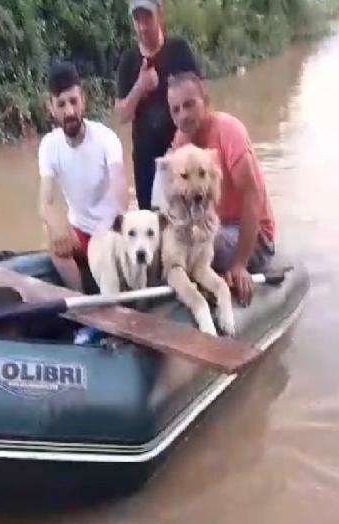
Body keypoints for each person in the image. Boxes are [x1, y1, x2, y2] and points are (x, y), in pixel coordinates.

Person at [162, 71, 276, 306]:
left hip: (253, 236)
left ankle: (201, 287)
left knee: (196, 246)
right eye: (175, 109)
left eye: (189, 105)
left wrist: (240, 264)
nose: (183, 115)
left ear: (206, 101)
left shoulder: (229, 131)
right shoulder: (182, 141)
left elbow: (252, 197)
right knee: (167, 238)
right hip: (215, 225)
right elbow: (170, 194)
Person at [38, 61, 129, 292]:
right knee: (51, 235)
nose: (69, 111)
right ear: (51, 107)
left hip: (109, 234)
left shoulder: (106, 138)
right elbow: (45, 202)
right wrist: (57, 226)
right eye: (61, 104)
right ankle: (79, 300)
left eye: (73, 101)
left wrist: (107, 231)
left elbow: (120, 193)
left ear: (83, 100)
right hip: (80, 233)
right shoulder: (49, 145)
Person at [115, 0, 200, 210]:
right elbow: (120, 116)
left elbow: (201, 100)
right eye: (137, 19)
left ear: (160, 14)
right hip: (146, 163)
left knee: (188, 218)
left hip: (183, 155)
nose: (143, 26)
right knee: (151, 225)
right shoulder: (128, 61)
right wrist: (139, 87)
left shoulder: (179, 50)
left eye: (148, 18)